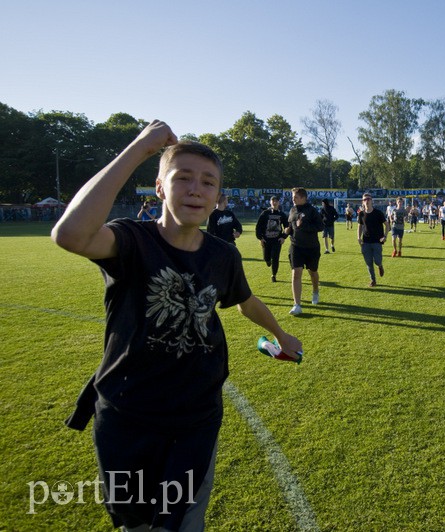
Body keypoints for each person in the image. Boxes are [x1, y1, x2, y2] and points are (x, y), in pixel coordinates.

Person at [51, 121, 302, 531]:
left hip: (195, 417)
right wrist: (139, 148)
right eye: (182, 178)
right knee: (136, 525)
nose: (195, 189)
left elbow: (245, 301)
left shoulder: (222, 256)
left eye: (207, 182)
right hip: (128, 413)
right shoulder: (131, 240)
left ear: (218, 196)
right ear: (160, 188)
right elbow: (70, 235)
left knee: (183, 523)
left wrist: (280, 333)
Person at [285, 187, 323, 315]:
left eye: (295, 197)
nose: (293, 199)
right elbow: (290, 225)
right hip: (296, 246)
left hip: (312, 247)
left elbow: (320, 226)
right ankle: (297, 305)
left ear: (303, 198)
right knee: (296, 273)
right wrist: (287, 230)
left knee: (313, 272)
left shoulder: (312, 210)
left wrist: (304, 226)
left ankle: (315, 290)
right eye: (293, 197)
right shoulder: (292, 210)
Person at [357, 193, 390, 286]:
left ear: (372, 201)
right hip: (366, 242)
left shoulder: (378, 213)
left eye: (368, 199)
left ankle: (380, 266)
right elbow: (359, 226)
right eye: (364, 199)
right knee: (369, 263)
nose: (366, 201)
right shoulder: (361, 214)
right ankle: (373, 280)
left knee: (377, 260)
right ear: (362, 202)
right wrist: (358, 238)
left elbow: (387, 225)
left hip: (377, 241)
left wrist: (385, 236)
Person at [255, 195, 289, 282]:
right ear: (270, 202)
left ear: (279, 202)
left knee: (275, 258)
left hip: (277, 240)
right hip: (266, 240)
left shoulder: (281, 214)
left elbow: (287, 227)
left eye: (276, 201)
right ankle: (267, 260)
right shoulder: (265, 213)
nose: (274, 202)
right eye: (273, 201)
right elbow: (258, 227)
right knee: (266, 258)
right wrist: (260, 238)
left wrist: (283, 237)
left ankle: (274, 275)